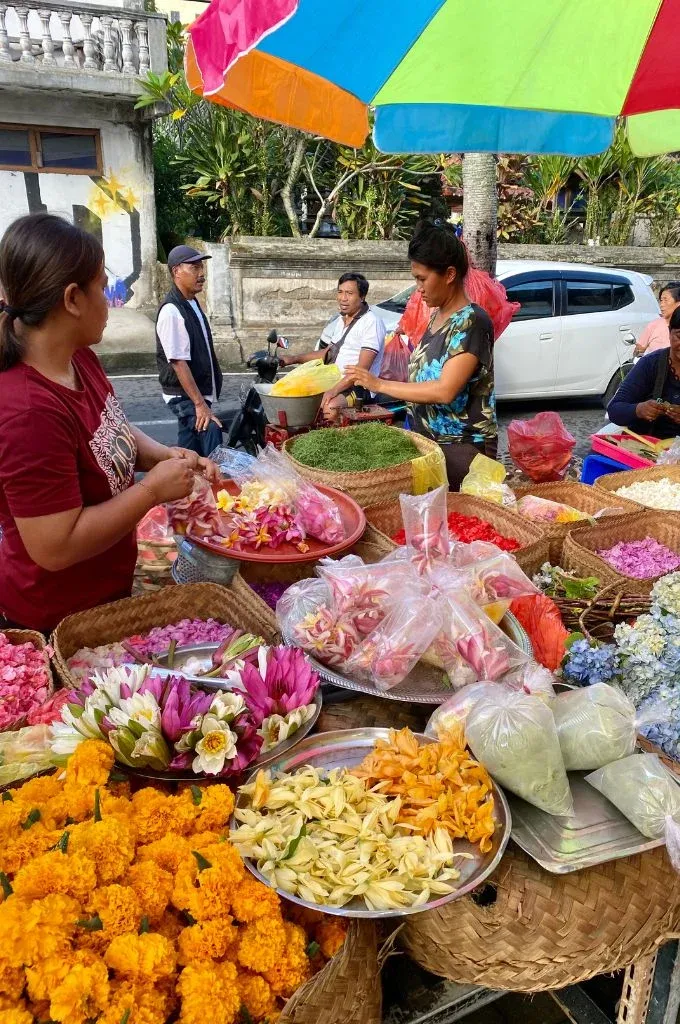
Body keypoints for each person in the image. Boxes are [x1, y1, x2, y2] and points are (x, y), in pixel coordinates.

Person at [0, 214, 219, 633]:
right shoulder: (28, 412)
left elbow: (110, 426)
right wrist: (152, 490)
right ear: (72, 299)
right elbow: (55, 546)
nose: (110, 299)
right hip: (57, 617)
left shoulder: (79, 356)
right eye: (102, 286)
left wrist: (164, 456)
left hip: (104, 594)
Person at [345, 220, 497, 490]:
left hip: (462, 451)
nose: (419, 288)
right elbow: (419, 381)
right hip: (429, 443)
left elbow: (444, 390)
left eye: (422, 279)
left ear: (449, 275)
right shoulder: (436, 316)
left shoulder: (473, 321)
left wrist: (378, 384)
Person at [278, 272, 386, 415]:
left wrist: (332, 391)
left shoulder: (372, 322)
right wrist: (293, 359)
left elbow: (361, 370)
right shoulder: (341, 320)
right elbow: (327, 353)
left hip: (358, 386)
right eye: (340, 292)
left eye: (349, 293)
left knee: (330, 406)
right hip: (334, 379)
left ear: (362, 297)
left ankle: (336, 436)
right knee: (293, 391)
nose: (343, 298)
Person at [156, 245, 224, 456]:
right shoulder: (172, 311)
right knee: (210, 429)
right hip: (184, 396)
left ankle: (185, 480)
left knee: (189, 447)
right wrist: (200, 404)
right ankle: (218, 482)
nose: (201, 273)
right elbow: (178, 362)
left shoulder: (191, 302)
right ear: (177, 271)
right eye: (194, 267)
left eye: (201, 266)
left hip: (196, 393)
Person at [608, 307, 680, 439]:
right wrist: (639, 410)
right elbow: (614, 410)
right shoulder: (651, 363)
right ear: (669, 333)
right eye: (679, 336)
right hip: (647, 449)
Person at [633, 282, 680, 358]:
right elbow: (639, 349)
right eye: (661, 300)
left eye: (666, 300)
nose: (661, 304)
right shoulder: (654, 325)